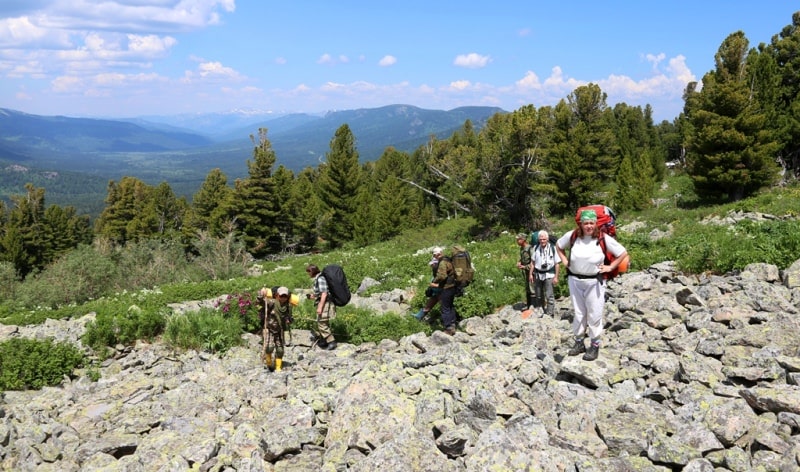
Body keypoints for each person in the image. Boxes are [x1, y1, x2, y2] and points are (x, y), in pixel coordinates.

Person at [556, 209, 628, 361]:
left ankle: (594, 345)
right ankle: (579, 342)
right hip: (574, 280)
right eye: (586, 223)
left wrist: (611, 267)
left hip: (594, 281)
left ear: (596, 224)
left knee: (594, 314)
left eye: (592, 223)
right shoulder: (573, 236)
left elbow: (622, 252)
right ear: (581, 224)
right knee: (579, 313)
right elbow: (558, 246)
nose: (589, 226)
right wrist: (564, 261)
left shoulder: (603, 238)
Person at [257, 286, 292, 371]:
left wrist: (289, 320)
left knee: (280, 350)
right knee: (269, 347)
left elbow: (289, 316)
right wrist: (261, 295)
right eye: (281, 296)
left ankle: (278, 367)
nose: (283, 298)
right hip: (269, 329)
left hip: (280, 330)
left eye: (285, 296)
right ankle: (269, 363)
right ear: (277, 295)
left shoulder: (288, 306)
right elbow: (261, 302)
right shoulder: (271, 302)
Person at [306, 264, 337, 350]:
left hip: (325, 304)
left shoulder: (320, 279)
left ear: (312, 271)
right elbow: (320, 293)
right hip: (325, 302)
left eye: (308, 272)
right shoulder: (319, 278)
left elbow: (324, 294)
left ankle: (331, 342)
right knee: (324, 322)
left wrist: (320, 307)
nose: (308, 274)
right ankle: (324, 340)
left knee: (321, 323)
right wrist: (312, 296)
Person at [431, 246, 459, 335]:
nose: (435, 257)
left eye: (434, 255)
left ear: (437, 254)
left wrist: (434, 281)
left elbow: (442, 276)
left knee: (445, 308)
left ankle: (448, 328)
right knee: (450, 306)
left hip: (447, 287)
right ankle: (453, 325)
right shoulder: (448, 259)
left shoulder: (443, 262)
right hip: (453, 285)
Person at [532, 230, 560, 317]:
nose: (542, 241)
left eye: (544, 239)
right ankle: (540, 311)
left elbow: (557, 263)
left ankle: (550, 313)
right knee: (538, 295)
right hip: (538, 274)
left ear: (547, 239)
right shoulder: (536, 248)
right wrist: (530, 274)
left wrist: (556, 277)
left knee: (549, 295)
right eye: (540, 239)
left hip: (549, 274)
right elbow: (532, 262)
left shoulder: (553, 248)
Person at [413, 247, 443, 320]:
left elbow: (444, 282)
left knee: (444, 306)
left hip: (441, 290)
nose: (431, 266)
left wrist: (434, 285)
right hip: (436, 290)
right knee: (431, 301)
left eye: (432, 264)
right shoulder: (436, 270)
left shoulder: (441, 269)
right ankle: (419, 316)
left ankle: (451, 321)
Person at [515, 233, 535, 310]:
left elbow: (533, 262)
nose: (517, 241)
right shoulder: (522, 249)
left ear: (523, 240)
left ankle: (534, 306)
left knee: (532, 288)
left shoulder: (530, 248)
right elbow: (522, 258)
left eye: (518, 239)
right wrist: (519, 262)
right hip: (526, 272)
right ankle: (529, 305)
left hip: (532, 272)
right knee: (528, 288)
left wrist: (525, 267)